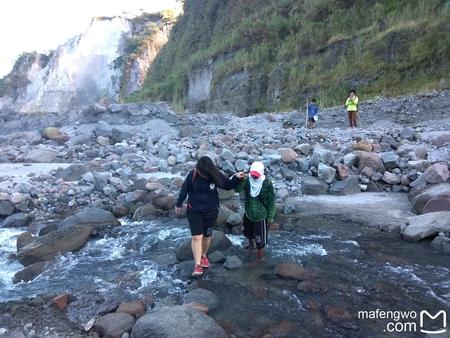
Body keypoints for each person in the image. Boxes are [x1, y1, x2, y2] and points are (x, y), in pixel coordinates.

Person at [175, 156, 244, 276]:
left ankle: (203, 255)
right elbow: (184, 189)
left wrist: (237, 178)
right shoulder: (193, 174)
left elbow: (227, 185)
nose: (202, 174)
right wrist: (178, 203)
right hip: (194, 210)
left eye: (204, 172)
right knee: (197, 237)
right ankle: (197, 265)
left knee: (207, 236)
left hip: (211, 210)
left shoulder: (214, 174)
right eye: (201, 171)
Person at [235, 161, 275, 261]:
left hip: (261, 216)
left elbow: (271, 201)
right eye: (253, 175)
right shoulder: (247, 179)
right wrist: (241, 179)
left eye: (256, 175)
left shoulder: (267, 183)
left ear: (261, 173)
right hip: (248, 213)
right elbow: (237, 190)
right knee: (247, 232)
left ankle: (259, 259)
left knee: (260, 241)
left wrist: (270, 217)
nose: (254, 177)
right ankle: (250, 245)